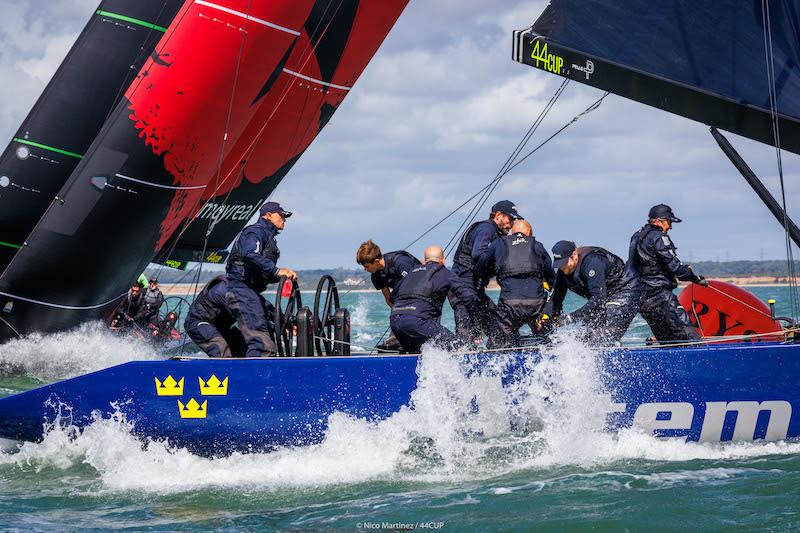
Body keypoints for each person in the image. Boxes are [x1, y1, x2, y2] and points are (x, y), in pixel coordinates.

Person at [225, 201, 298, 357]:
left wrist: (282, 276)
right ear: (269, 215)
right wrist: (277, 271)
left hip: (249, 292)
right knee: (262, 345)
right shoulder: (255, 232)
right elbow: (249, 254)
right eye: (282, 215)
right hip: (241, 290)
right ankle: (257, 379)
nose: (284, 219)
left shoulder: (268, 236)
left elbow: (262, 270)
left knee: (270, 330)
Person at [628, 204, 707, 342]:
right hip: (660, 296)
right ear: (659, 221)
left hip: (642, 298)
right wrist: (695, 278)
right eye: (669, 222)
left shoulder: (636, 236)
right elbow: (676, 268)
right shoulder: (659, 237)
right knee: (688, 334)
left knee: (666, 339)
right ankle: (700, 356)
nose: (670, 227)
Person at [475, 220, 555, 348]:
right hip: (536, 305)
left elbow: (481, 263)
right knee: (548, 336)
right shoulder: (537, 245)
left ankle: (498, 356)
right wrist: (548, 285)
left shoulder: (499, 244)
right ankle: (552, 352)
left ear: (512, 232)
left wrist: (481, 280)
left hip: (509, 306)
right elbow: (550, 274)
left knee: (497, 343)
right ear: (529, 232)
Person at [450, 200, 522, 338]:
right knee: (467, 330)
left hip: (475, 290)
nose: (512, 224)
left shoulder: (495, 233)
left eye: (514, 220)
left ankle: (502, 349)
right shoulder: (486, 229)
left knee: (500, 328)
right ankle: (462, 353)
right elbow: (478, 254)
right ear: (498, 215)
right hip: (462, 288)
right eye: (510, 218)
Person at [549, 241, 643, 344]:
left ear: (574, 255)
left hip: (626, 288)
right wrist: (549, 318)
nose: (562, 267)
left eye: (564, 262)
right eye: (559, 264)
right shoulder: (563, 273)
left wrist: (570, 318)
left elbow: (598, 299)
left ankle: (613, 350)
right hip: (605, 296)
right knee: (584, 338)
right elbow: (556, 299)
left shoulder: (592, 262)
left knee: (602, 336)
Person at [389, 245, 478, 353]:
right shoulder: (445, 273)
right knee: (459, 347)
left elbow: (392, 297)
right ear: (443, 260)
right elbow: (469, 297)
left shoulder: (411, 272)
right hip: (418, 322)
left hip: (394, 322)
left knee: (418, 353)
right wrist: (475, 321)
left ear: (424, 261)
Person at [185, 275, 246, 358]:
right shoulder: (223, 289)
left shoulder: (248, 293)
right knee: (220, 346)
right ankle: (223, 368)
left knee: (242, 344)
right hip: (199, 324)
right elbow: (244, 314)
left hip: (220, 327)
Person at [356, 240, 421, 307]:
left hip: (422, 290)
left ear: (376, 261)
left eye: (367, 266)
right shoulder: (376, 276)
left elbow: (415, 283)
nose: (365, 269)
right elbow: (389, 300)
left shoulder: (400, 262)